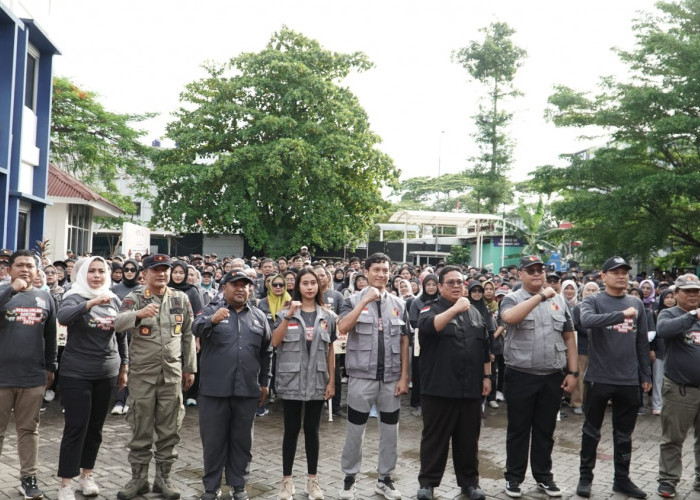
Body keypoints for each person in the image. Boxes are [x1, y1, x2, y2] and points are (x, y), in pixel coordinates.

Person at [114, 254, 197, 500]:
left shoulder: (180, 299)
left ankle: (164, 479)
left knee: (170, 429)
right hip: (143, 376)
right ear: (145, 274)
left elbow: (188, 334)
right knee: (140, 428)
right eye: (156, 270)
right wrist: (138, 314)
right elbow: (118, 324)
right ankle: (138, 480)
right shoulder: (135, 298)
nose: (161, 274)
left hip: (171, 375)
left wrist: (189, 367)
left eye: (165, 269)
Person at [499, 255, 578, 498]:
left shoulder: (560, 302)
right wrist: (541, 296)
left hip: (551, 376)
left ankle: (544, 477)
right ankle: (514, 478)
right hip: (521, 375)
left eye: (540, 270)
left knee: (545, 430)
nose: (537, 274)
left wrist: (573, 372)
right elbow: (509, 318)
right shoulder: (512, 298)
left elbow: (569, 337)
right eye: (531, 270)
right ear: (520, 274)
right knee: (518, 430)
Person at [192, 270, 273, 500]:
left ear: (251, 289)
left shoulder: (259, 316)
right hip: (214, 391)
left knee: (242, 442)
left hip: (247, 391)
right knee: (214, 442)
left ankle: (239, 486)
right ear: (224, 287)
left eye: (245, 285)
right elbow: (195, 327)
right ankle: (211, 487)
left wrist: (265, 383)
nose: (241, 289)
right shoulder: (211, 309)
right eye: (235, 284)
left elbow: (267, 352)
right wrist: (212, 320)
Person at [337, 253, 410, 500]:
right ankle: (349, 479)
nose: (381, 274)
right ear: (366, 272)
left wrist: (404, 377)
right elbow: (342, 327)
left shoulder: (399, 304)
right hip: (361, 378)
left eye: (385, 270)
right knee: (354, 432)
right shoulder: (352, 300)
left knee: (391, 433)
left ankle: (384, 479)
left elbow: (404, 340)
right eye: (376, 269)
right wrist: (364, 301)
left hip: (390, 380)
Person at [576, 256, 651, 499]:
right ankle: (585, 478)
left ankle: (622, 480)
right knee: (591, 431)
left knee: (623, 435)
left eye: (625, 272)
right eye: (615, 271)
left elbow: (641, 342)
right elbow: (585, 321)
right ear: (603, 276)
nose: (621, 275)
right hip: (599, 377)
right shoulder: (593, 300)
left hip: (628, 379)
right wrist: (621, 315)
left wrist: (645, 374)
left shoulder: (636, 304)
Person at [55, 257, 128, 500]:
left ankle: (87, 476)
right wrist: (91, 303)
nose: (97, 276)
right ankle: (66, 482)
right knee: (76, 427)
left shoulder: (114, 298)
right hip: (77, 372)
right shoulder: (74, 295)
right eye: (92, 271)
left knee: (95, 428)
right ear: (83, 273)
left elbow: (121, 335)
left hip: (106, 372)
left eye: (101, 271)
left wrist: (124, 366)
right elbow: (63, 318)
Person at [415, 267, 491, 500]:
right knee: (435, 440)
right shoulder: (431, 308)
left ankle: (469, 483)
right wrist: (456, 308)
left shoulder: (476, 313)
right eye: (451, 283)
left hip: (470, 388)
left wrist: (487, 376)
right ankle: (428, 483)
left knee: (468, 439)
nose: (457, 286)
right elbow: (429, 328)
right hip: (439, 388)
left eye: (460, 282)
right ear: (439, 287)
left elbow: (485, 347)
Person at [272, 269, 336, 500]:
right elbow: (275, 341)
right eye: (305, 283)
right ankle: (287, 482)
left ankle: (313, 481)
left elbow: (330, 351)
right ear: (297, 286)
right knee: (290, 430)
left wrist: (332, 382)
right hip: (291, 380)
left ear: (319, 287)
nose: (309, 287)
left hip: (317, 381)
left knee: (312, 430)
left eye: (313, 283)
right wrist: (290, 314)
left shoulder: (327, 316)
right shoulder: (284, 313)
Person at [0, 250, 57, 500]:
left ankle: (29, 479)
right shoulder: (3, 294)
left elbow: (51, 336)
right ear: (10, 269)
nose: (25, 270)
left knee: (28, 431)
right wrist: (11, 290)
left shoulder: (45, 298)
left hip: (32, 377)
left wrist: (51, 366)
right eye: (20, 265)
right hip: (1, 378)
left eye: (30, 266)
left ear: (37, 271)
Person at [656, 274, 700, 498]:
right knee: (673, 438)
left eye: (696, 291)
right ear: (676, 294)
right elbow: (664, 331)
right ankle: (668, 480)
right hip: (680, 389)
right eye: (688, 291)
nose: (693, 295)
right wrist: (693, 315)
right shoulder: (668, 314)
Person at [110, 259, 142, 415]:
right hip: (119, 334)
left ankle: (130, 400)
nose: (129, 272)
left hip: (136, 335)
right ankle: (119, 400)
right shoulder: (114, 289)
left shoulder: (142, 290)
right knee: (121, 367)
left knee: (134, 368)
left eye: (132, 269)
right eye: (126, 269)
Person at [570, 282, 600, 415]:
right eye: (588, 290)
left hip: (599, 346)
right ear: (582, 292)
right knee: (580, 374)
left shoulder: (602, 307)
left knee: (596, 376)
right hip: (582, 346)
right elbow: (576, 324)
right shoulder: (577, 308)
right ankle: (577, 402)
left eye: (594, 290)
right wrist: (592, 332)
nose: (591, 292)